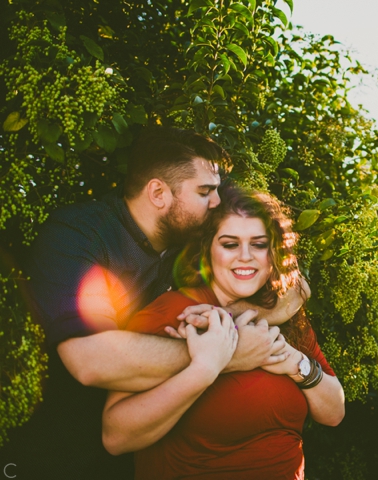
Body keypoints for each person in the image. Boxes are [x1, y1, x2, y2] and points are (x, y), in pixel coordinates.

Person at [1, 127, 302, 479]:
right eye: (205, 191)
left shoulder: (188, 240)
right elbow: (90, 360)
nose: (217, 202)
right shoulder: (78, 235)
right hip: (48, 452)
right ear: (158, 193)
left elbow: (294, 285)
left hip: (136, 457)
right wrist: (226, 353)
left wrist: (235, 320)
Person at [101, 183, 345, 479]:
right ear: (208, 250)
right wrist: (206, 368)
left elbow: (334, 413)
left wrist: (295, 363)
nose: (245, 256)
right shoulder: (177, 313)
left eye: (258, 244)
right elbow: (116, 437)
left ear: (274, 254)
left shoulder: (285, 315)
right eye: (230, 244)